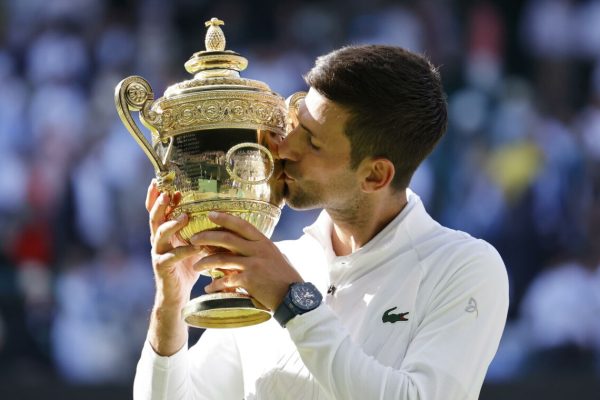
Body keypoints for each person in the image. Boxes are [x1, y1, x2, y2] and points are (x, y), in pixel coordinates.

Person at [133, 45, 509, 400]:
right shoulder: (273, 265)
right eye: (296, 122)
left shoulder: (465, 267)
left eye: (312, 142)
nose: (283, 146)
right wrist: (171, 301)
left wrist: (293, 302)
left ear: (375, 176)